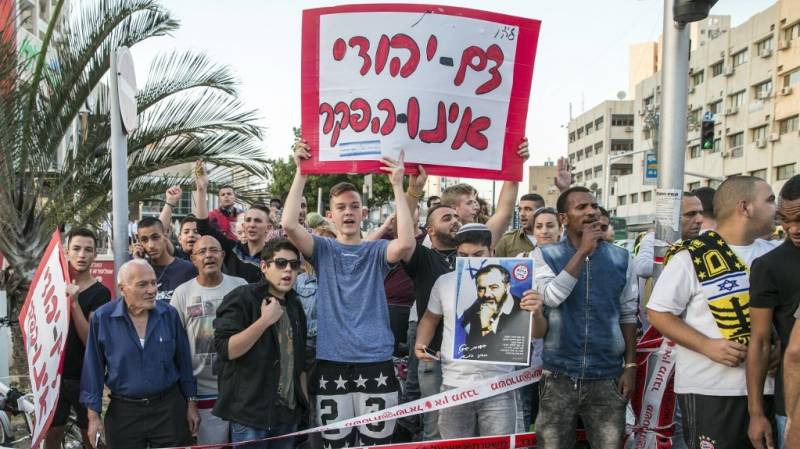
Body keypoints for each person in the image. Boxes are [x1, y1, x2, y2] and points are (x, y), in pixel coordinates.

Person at [284, 138, 415, 448]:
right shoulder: (324, 249)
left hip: (376, 362)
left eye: (354, 206)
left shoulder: (377, 250)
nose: (348, 212)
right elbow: (289, 224)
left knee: (376, 445)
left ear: (363, 211)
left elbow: (407, 244)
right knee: (335, 445)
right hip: (332, 362)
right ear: (330, 214)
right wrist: (301, 173)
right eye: (341, 207)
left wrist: (398, 185)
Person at [401, 142, 530, 439]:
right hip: (436, 359)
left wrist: (513, 168)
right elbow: (405, 225)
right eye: (446, 218)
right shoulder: (423, 258)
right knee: (436, 432)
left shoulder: (482, 253)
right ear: (429, 231)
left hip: (487, 366)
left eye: (457, 217)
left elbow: (504, 209)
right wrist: (413, 192)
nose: (456, 221)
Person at [648, 176, 779, 449]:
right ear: (745, 207)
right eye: (768, 200)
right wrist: (707, 345)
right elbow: (659, 313)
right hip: (710, 389)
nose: (775, 208)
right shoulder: (691, 257)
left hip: (770, 387)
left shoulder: (774, 254)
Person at [415, 223, 546, 439]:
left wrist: (537, 312)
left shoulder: (520, 289)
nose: (470, 261)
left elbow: (537, 334)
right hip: (454, 385)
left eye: (478, 254)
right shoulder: (445, 283)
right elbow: (430, 318)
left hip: (500, 385)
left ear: (491, 252)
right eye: (464, 255)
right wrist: (421, 343)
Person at [532, 186, 638, 449]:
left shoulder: (622, 258)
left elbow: (628, 314)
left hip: (607, 375)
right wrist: (582, 253)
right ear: (564, 218)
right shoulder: (545, 255)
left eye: (593, 206)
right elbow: (552, 297)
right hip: (558, 376)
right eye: (581, 207)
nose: (591, 211)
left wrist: (630, 366)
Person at [80, 259, 198, 449]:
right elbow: (92, 370)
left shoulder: (169, 315)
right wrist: (93, 417)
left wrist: (191, 405)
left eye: (153, 283)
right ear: (123, 288)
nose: (152, 290)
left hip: (168, 409)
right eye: (142, 284)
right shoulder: (103, 318)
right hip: (124, 413)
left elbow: (184, 363)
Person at [213, 239, 308, 449]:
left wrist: (304, 405)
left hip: (288, 415)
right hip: (251, 415)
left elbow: (300, 360)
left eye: (294, 265)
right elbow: (226, 349)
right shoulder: (242, 297)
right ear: (264, 266)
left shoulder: (295, 304)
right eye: (281, 263)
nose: (288, 270)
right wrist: (264, 321)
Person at [170, 236, 247, 445]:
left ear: (222, 256)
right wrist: (189, 399)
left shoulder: (241, 287)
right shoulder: (182, 294)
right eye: (202, 252)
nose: (208, 255)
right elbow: (175, 347)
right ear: (193, 259)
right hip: (202, 393)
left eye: (213, 250)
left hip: (239, 390)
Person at [45, 229, 111, 449]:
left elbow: (89, 339)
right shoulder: (53, 286)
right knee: (52, 434)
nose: (82, 254)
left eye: (88, 249)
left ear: (95, 255)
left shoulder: (100, 293)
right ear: (66, 251)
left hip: (85, 377)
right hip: (54, 377)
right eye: (76, 248)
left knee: (91, 437)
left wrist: (74, 303)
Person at [749, 175, 800, 449]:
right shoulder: (769, 266)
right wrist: (756, 413)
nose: (793, 229)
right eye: (785, 220)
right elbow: (759, 342)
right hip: (791, 408)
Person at [195, 161, 265, 283]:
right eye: (248, 220)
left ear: (269, 227)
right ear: (243, 226)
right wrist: (201, 189)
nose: (252, 224)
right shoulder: (233, 250)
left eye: (257, 221)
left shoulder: (273, 255)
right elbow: (203, 227)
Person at [460, 264, 530, 357]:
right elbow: (471, 351)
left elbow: (505, 355)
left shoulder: (523, 309)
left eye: (493, 287)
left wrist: (485, 324)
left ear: (507, 287)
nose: (487, 294)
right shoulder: (474, 310)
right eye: (481, 289)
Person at [132, 216, 197, 303]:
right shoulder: (140, 269)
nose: (151, 245)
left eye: (155, 237)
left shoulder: (188, 269)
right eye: (144, 240)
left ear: (165, 235)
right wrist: (138, 265)